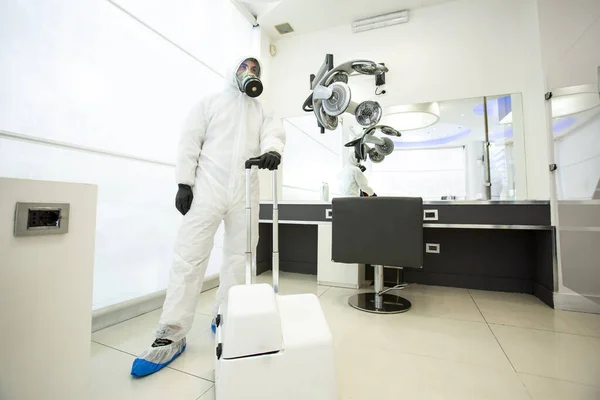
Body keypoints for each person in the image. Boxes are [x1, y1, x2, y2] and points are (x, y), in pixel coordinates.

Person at [131, 56, 285, 377]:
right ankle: (171, 333)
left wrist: (273, 151)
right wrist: (184, 182)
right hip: (207, 189)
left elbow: (274, 133)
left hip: (245, 188)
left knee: (239, 259)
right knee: (189, 256)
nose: (251, 73)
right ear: (233, 70)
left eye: (256, 69)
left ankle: (227, 315)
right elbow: (190, 141)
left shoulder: (263, 111)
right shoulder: (210, 103)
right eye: (246, 67)